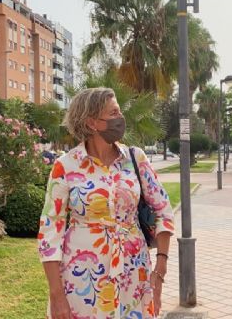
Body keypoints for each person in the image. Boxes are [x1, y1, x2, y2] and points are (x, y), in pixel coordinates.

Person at [38, 87, 174, 319]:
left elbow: (164, 211)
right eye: (113, 113)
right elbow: (50, 231)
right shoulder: (66, 166)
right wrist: (57, 295)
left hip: (134, 273)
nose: (120, 119)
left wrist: (159, 271)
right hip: (82, 277)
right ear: (92, 122)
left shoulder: (135, 158)